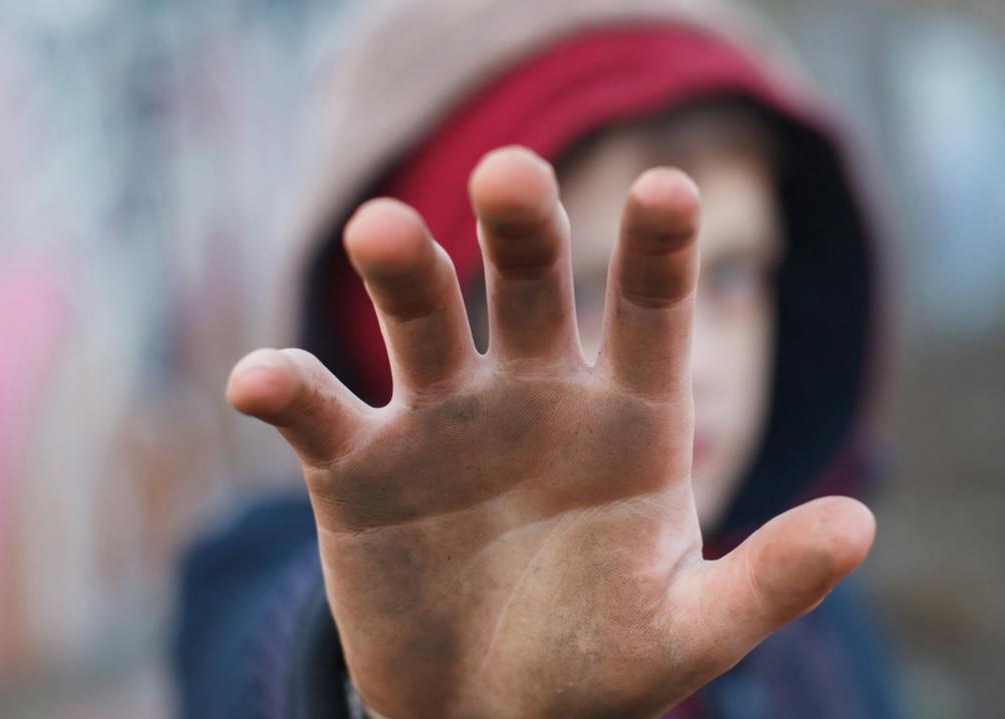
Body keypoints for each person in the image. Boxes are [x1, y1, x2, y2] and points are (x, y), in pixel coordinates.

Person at [174, 1, 897, 716]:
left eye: (734, 275)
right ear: (405, 330)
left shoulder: (818, 626)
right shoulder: (248, 574)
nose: (695, 365)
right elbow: (257, 660)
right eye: (586, 291)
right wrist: (366, 686)